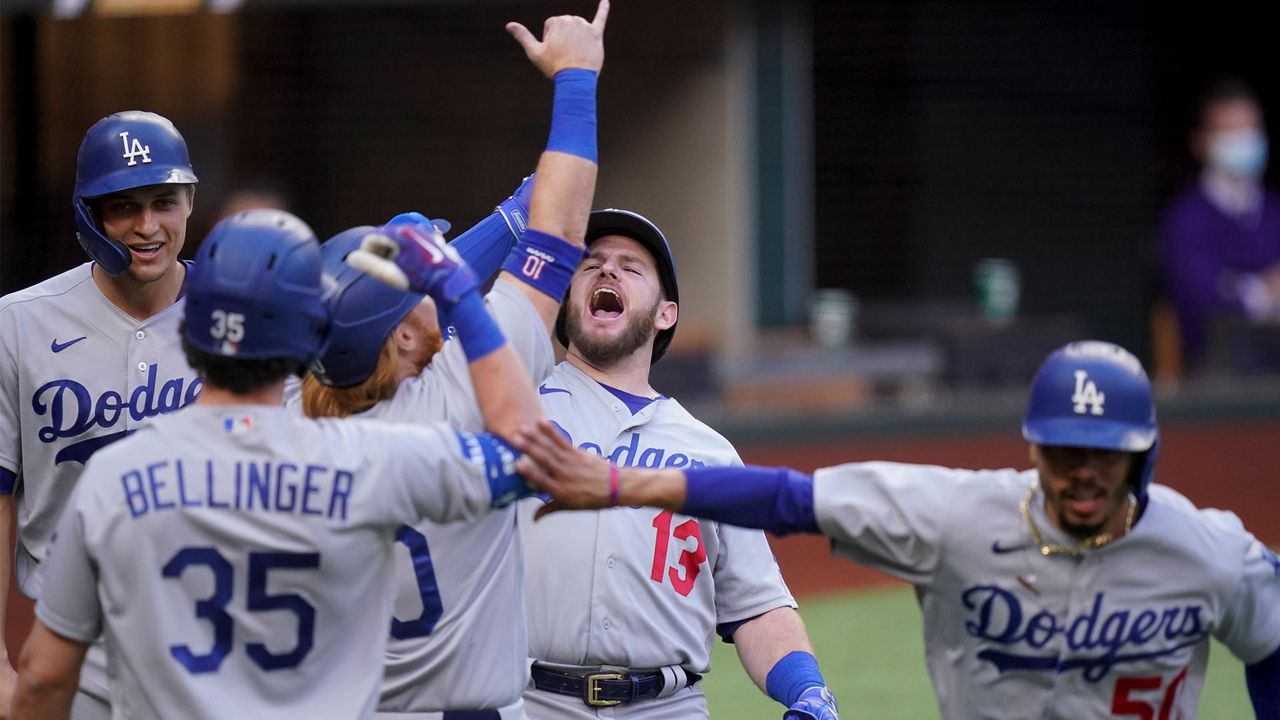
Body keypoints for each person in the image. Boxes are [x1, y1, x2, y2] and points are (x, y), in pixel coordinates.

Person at [514, 340, 1280, 719]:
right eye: (1065, 451)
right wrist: (620, 485)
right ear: (1035, 446)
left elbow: (1272, 636)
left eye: (1105, 457)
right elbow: (788, 499)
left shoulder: (1208, 551)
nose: (1084, 473)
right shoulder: (957, 516)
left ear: (1142, 455)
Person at [8, 204, 546, 720]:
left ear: (188, 329)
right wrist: (457, 290)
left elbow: (45, 679)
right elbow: (528, 454)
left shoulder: (119, 476)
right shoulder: (353, 458)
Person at [298, 4, 607, 717]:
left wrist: (488, 227)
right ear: (404, 335)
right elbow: (558, 229)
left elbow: (357, 309)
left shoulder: (292, 410)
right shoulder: (471, 383)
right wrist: (577, 78)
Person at [516, 209, 839, 719]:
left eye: (630, 267)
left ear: (665, 313)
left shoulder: (708, 451)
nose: (607, 271)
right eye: (591, 264)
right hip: (527, 702)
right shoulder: (514, 410)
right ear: (566, 302)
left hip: (666, 708)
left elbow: (755, 605)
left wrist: (808, 690)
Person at [0, 110, 203, 720]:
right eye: (123, 207)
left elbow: (380, 320)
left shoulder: (244, 319)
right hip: (74, 656)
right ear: (88, 213)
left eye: (164, 202)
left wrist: (510, 220)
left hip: (211, 645)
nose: (147, 227)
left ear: (191, 199)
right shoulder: (18, 323)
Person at [1159, 77, 1280, 372]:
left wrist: (1239, 287)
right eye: (1230, 133)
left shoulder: (1274, 209)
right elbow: (1202, 302)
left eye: (1250, 130)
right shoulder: (1185, 219)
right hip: (1219, 372)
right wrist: (1264, 293)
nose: (1243, 142)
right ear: (1201, 143)